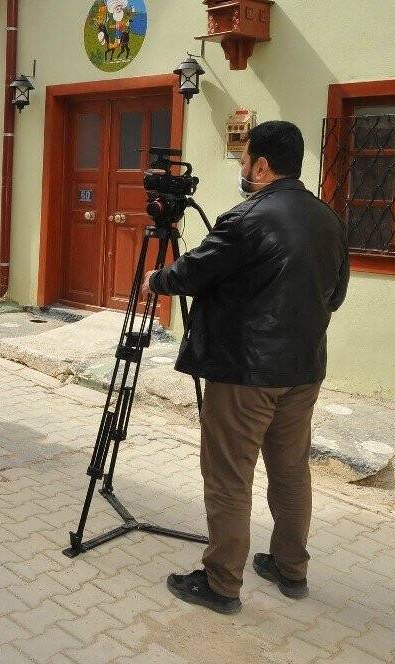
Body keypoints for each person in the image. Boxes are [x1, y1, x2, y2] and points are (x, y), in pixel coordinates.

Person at [143, 121, 350, 615]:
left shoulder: (246, 218)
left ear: (261, 165)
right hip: (303, 370)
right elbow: (336, 296)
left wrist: (156, 277)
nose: (241, 171)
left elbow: (189, 274)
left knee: (229, 477)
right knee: (290, 471)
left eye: (243, 162)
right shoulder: (330, 220)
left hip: (244, 375)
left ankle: (221, 584)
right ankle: (290, 568)